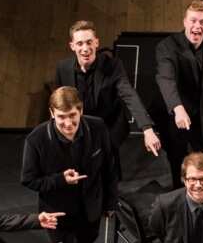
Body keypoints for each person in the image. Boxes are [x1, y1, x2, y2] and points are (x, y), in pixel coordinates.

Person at [20, 86, 118, 243]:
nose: (68, 123)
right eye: (61, 117)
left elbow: (109, 167)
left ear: (81, 110)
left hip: (91, 207)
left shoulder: (98, 127)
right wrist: (60, 180)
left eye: (72, 115)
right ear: (51, 113)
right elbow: (29, 180)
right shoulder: (36, 140)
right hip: (57, 212)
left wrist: (110, 202)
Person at [54, 20, 161, 157]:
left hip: (109, 130)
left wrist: (147, 129)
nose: (85, 49)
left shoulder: (113, 66)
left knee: (109, 165)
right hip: (78, 130)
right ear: (72, 46)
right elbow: (58, 103)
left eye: (89, 42)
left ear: (96, 42)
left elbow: (129, 95)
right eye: (80, 43)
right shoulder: (62, 68)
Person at [154, 0, 203, 187]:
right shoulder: (166, 47)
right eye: (193, 21)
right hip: (175, 120)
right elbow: (166, 79)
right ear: (185, 21)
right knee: (178, 167)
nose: (197, 26)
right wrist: (178, 108)